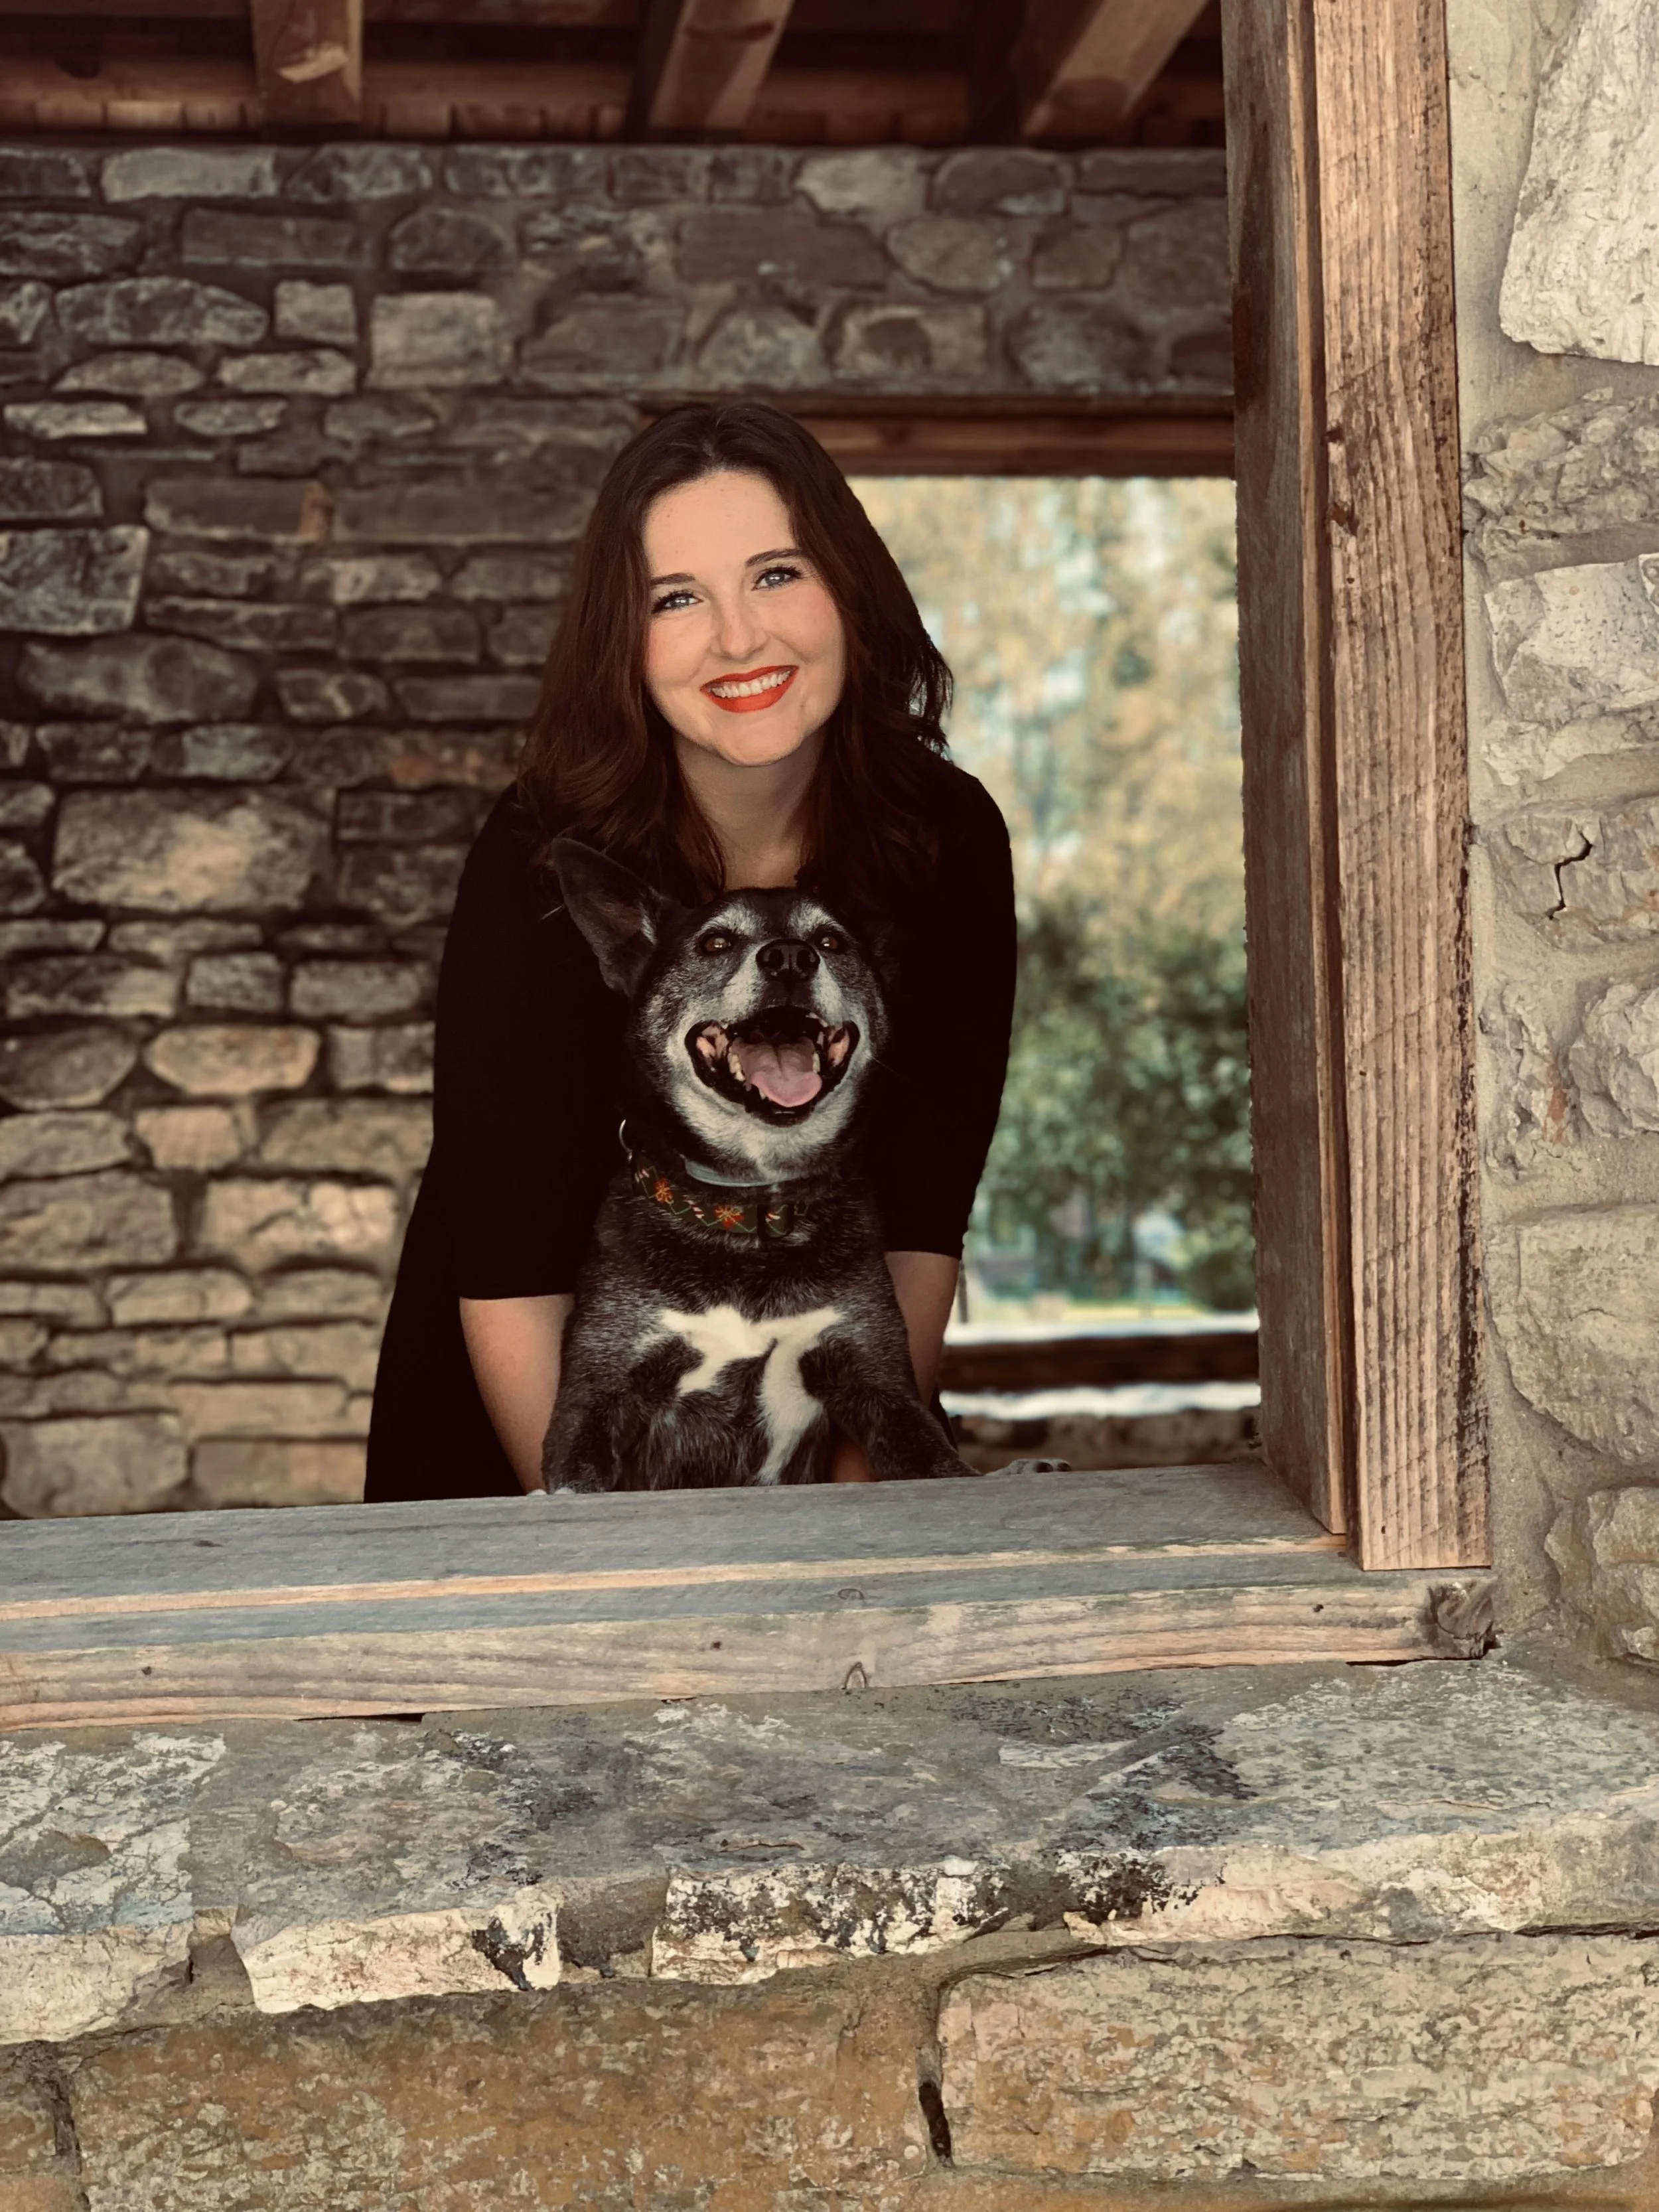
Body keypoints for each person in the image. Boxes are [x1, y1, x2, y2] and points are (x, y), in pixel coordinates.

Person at [364, 401, 1016, 1502]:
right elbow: (509, 1255)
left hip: (821, 1405)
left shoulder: (943, 839)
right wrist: (606, 1581)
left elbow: (917, 1222)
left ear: (850, 590)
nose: (737, 638)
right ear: (626, 639)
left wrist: (849, 1533)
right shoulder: (542, 855)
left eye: (776, 575)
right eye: (677, 599)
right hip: (524, 1405)